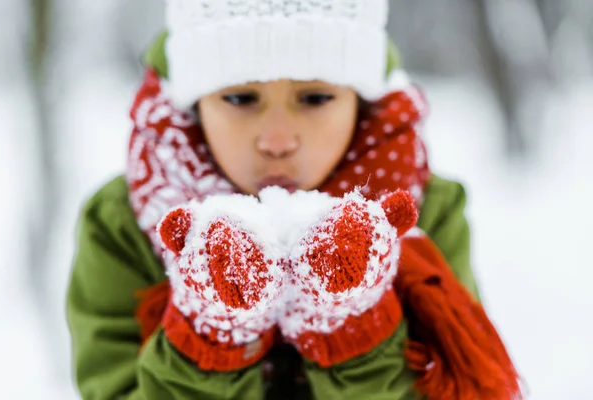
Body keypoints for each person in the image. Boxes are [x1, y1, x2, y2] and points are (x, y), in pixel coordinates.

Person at [67, 1, 521, 399]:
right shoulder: (124, 221)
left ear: (359, 102)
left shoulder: (420, 210)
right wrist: (211, 336)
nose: (278, 139)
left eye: (315, 97)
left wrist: (353, 325)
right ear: (194, 103)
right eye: (242, 97)